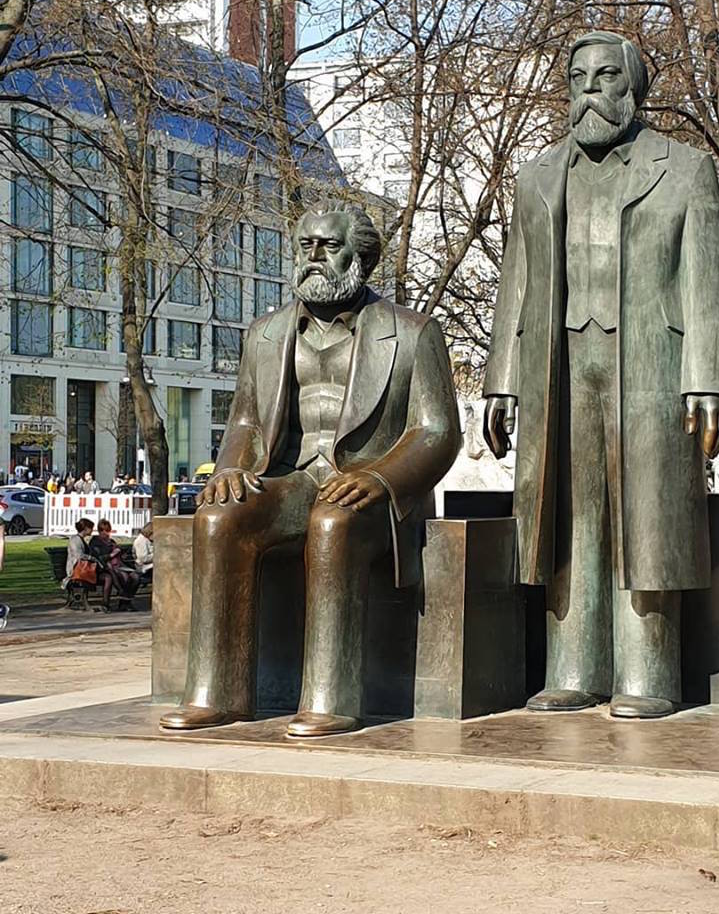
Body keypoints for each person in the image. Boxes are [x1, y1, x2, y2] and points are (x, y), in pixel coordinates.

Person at [483, 31, 719, 719]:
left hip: (652, 364)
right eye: (578, 78)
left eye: (606, 77)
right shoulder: (537, 176)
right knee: (568, 515)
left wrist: (709, 377)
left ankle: (649, 674)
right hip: (558, 364)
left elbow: (707, 277)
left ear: (634, 88)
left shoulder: (684, 169)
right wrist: (502, 377)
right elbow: (517, 280)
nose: (590, 90)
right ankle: (574, 669)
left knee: (646, 517)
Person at [159, 202, 460, 738]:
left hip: (372, 492)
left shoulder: (414, 332)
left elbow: (437, 432)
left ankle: (330, 698)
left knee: (332, 521)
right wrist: (227, 469)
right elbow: (246, 420)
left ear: (361, 257)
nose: (314, 255)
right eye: (306, 245)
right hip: (294, 480)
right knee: (219, 519)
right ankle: (216, 694)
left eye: (329, 245)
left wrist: (381, 478)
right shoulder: (266, 334)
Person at [89, 519, 140, 611]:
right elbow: (98, 558)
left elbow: (119, 556)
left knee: (135, 577)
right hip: (104, 568)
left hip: (118, 566)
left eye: (108, 530)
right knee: (125, 577)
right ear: (99, 531)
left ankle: (125, 602)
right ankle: (123, 600)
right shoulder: (95, 542)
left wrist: (121, 555)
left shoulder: (111, 541)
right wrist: (112, 554)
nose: (106, 533)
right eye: (104, 531)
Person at [64, 517, 96, 588]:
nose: (92, 530)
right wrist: (92, 558)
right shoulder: (75, 540)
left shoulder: (81, 539)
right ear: (86, 528)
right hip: (76, 570)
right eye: (91, 528)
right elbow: (79, 555)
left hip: (84, 568)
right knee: (108, 575)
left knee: (109, 574)